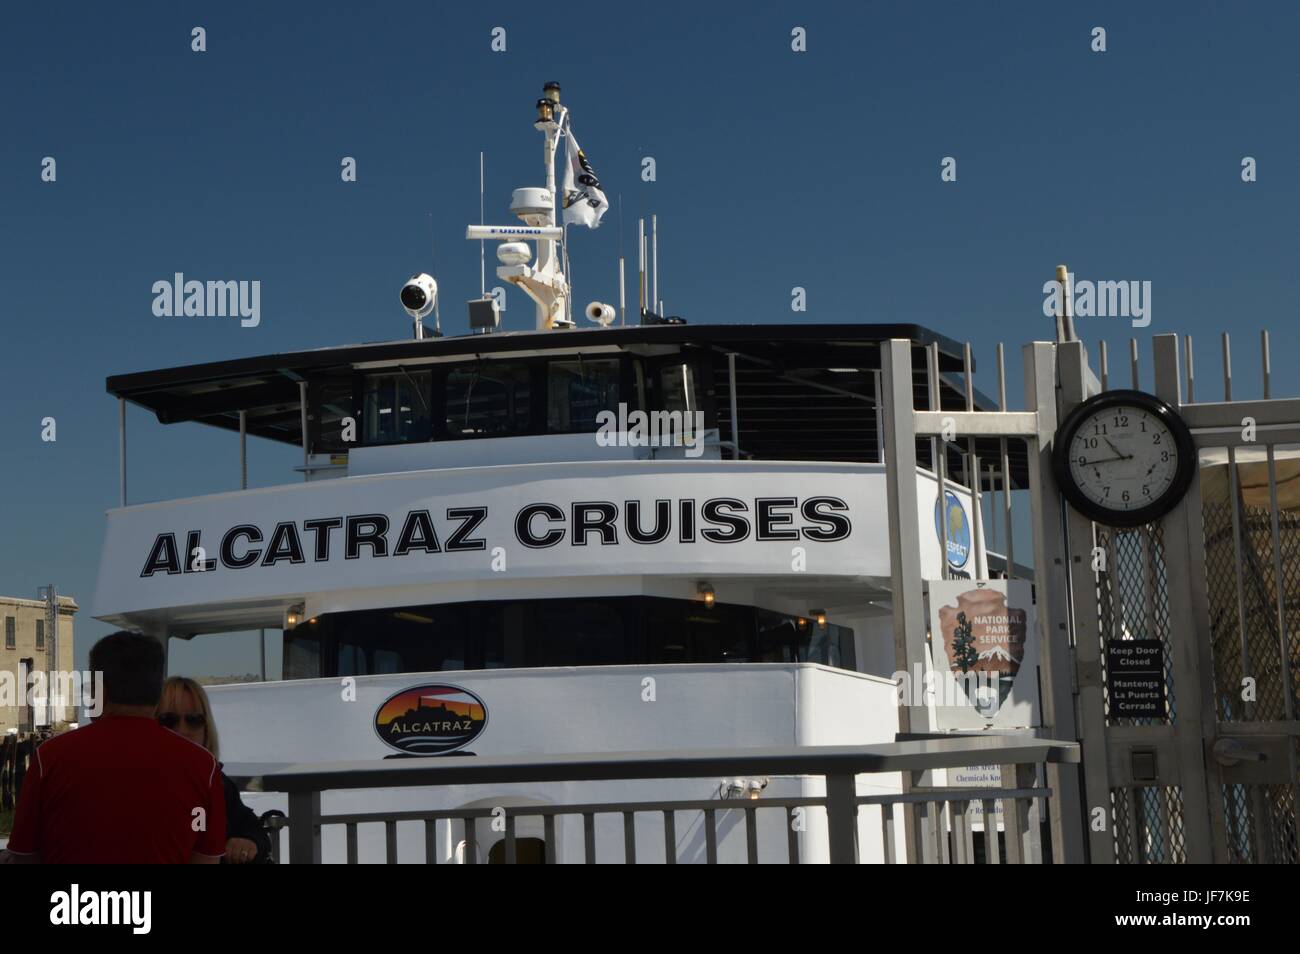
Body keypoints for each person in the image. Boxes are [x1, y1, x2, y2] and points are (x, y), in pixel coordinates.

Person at [1, 631, 225, 864]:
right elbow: (204, 860)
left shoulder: (49, 757)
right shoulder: (203, 766)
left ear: (102, 690)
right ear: (158, 690)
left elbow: (25, 856)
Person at [157, 676, 270, 864]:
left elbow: (252, 829)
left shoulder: (218, 782)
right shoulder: (139, 784)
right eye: (169, 720)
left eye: (194, 720)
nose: (183, 730)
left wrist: (249, 842)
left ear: (206, 728)